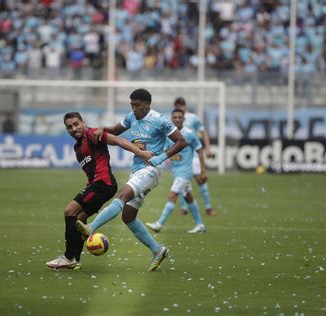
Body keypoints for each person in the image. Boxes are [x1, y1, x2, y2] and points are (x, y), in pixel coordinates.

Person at [76, 88, 186, 271]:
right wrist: (102, 128)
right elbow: (116, 130)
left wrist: (162, 157)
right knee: (128, 216)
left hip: (152, 169)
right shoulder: (131, 117)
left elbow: (181, 141)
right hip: (137, 171)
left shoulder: (159, 120)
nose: (134, 109)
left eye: (137, 105)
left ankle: (91, 227)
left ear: (147, 104)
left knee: (122, 195)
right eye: (132, 105)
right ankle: (158, 250)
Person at [46, 112, 154, 270]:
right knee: (80, 218)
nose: (74, 128)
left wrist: (140, 153)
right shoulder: (77, 147)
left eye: (76, 124)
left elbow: (117, 140)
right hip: (97, 185)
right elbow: (91, 170)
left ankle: (68, 258)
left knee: (69, 211)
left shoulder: (92, 134)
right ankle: (75, 259)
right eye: (69, 127)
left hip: (103, 184)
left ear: (83, 122)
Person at [146, 109, 207, 234]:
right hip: (177, 172)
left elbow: (200, 150)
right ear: (172, 119)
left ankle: (159, 223)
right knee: (189, 197)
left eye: (180, 117)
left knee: (172, 195)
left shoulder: (189, 134)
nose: (178, 119)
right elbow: (168, 152)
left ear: (184, 119)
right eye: (175, 117)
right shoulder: (170, 135)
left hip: (185, 173)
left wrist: (203, 170)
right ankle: (200, 225)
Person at [173, 97, 215, 216]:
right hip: (181, 155)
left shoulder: (192, 118)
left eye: (182, 105)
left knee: (200, 179)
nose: (180, 108)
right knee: (181, 181)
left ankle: (208, 207)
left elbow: (203, 132)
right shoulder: (173, 119)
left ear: (185, 106)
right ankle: (184, 207)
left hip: (193, 154)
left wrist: (208, 148)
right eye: (177, 106)